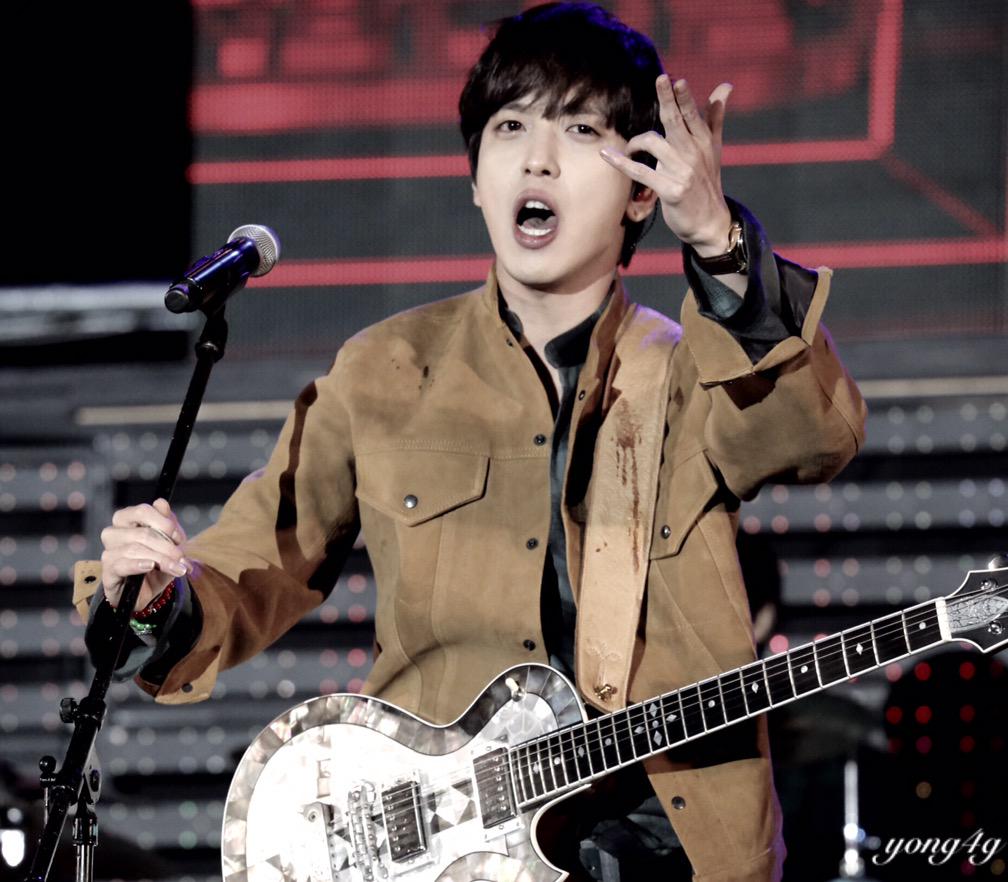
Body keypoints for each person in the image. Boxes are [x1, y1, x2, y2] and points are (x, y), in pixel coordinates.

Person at [75, 4, 866, 880]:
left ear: (642, 189)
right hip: (448, 852)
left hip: (668, 851)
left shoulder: (695, 371)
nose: (537, 158)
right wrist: (154, 597)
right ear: (478, 180)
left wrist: (720, 245)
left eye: (579, 130)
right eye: (509, 127)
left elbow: (815, 438)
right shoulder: (385, 372)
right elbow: (252, 565)